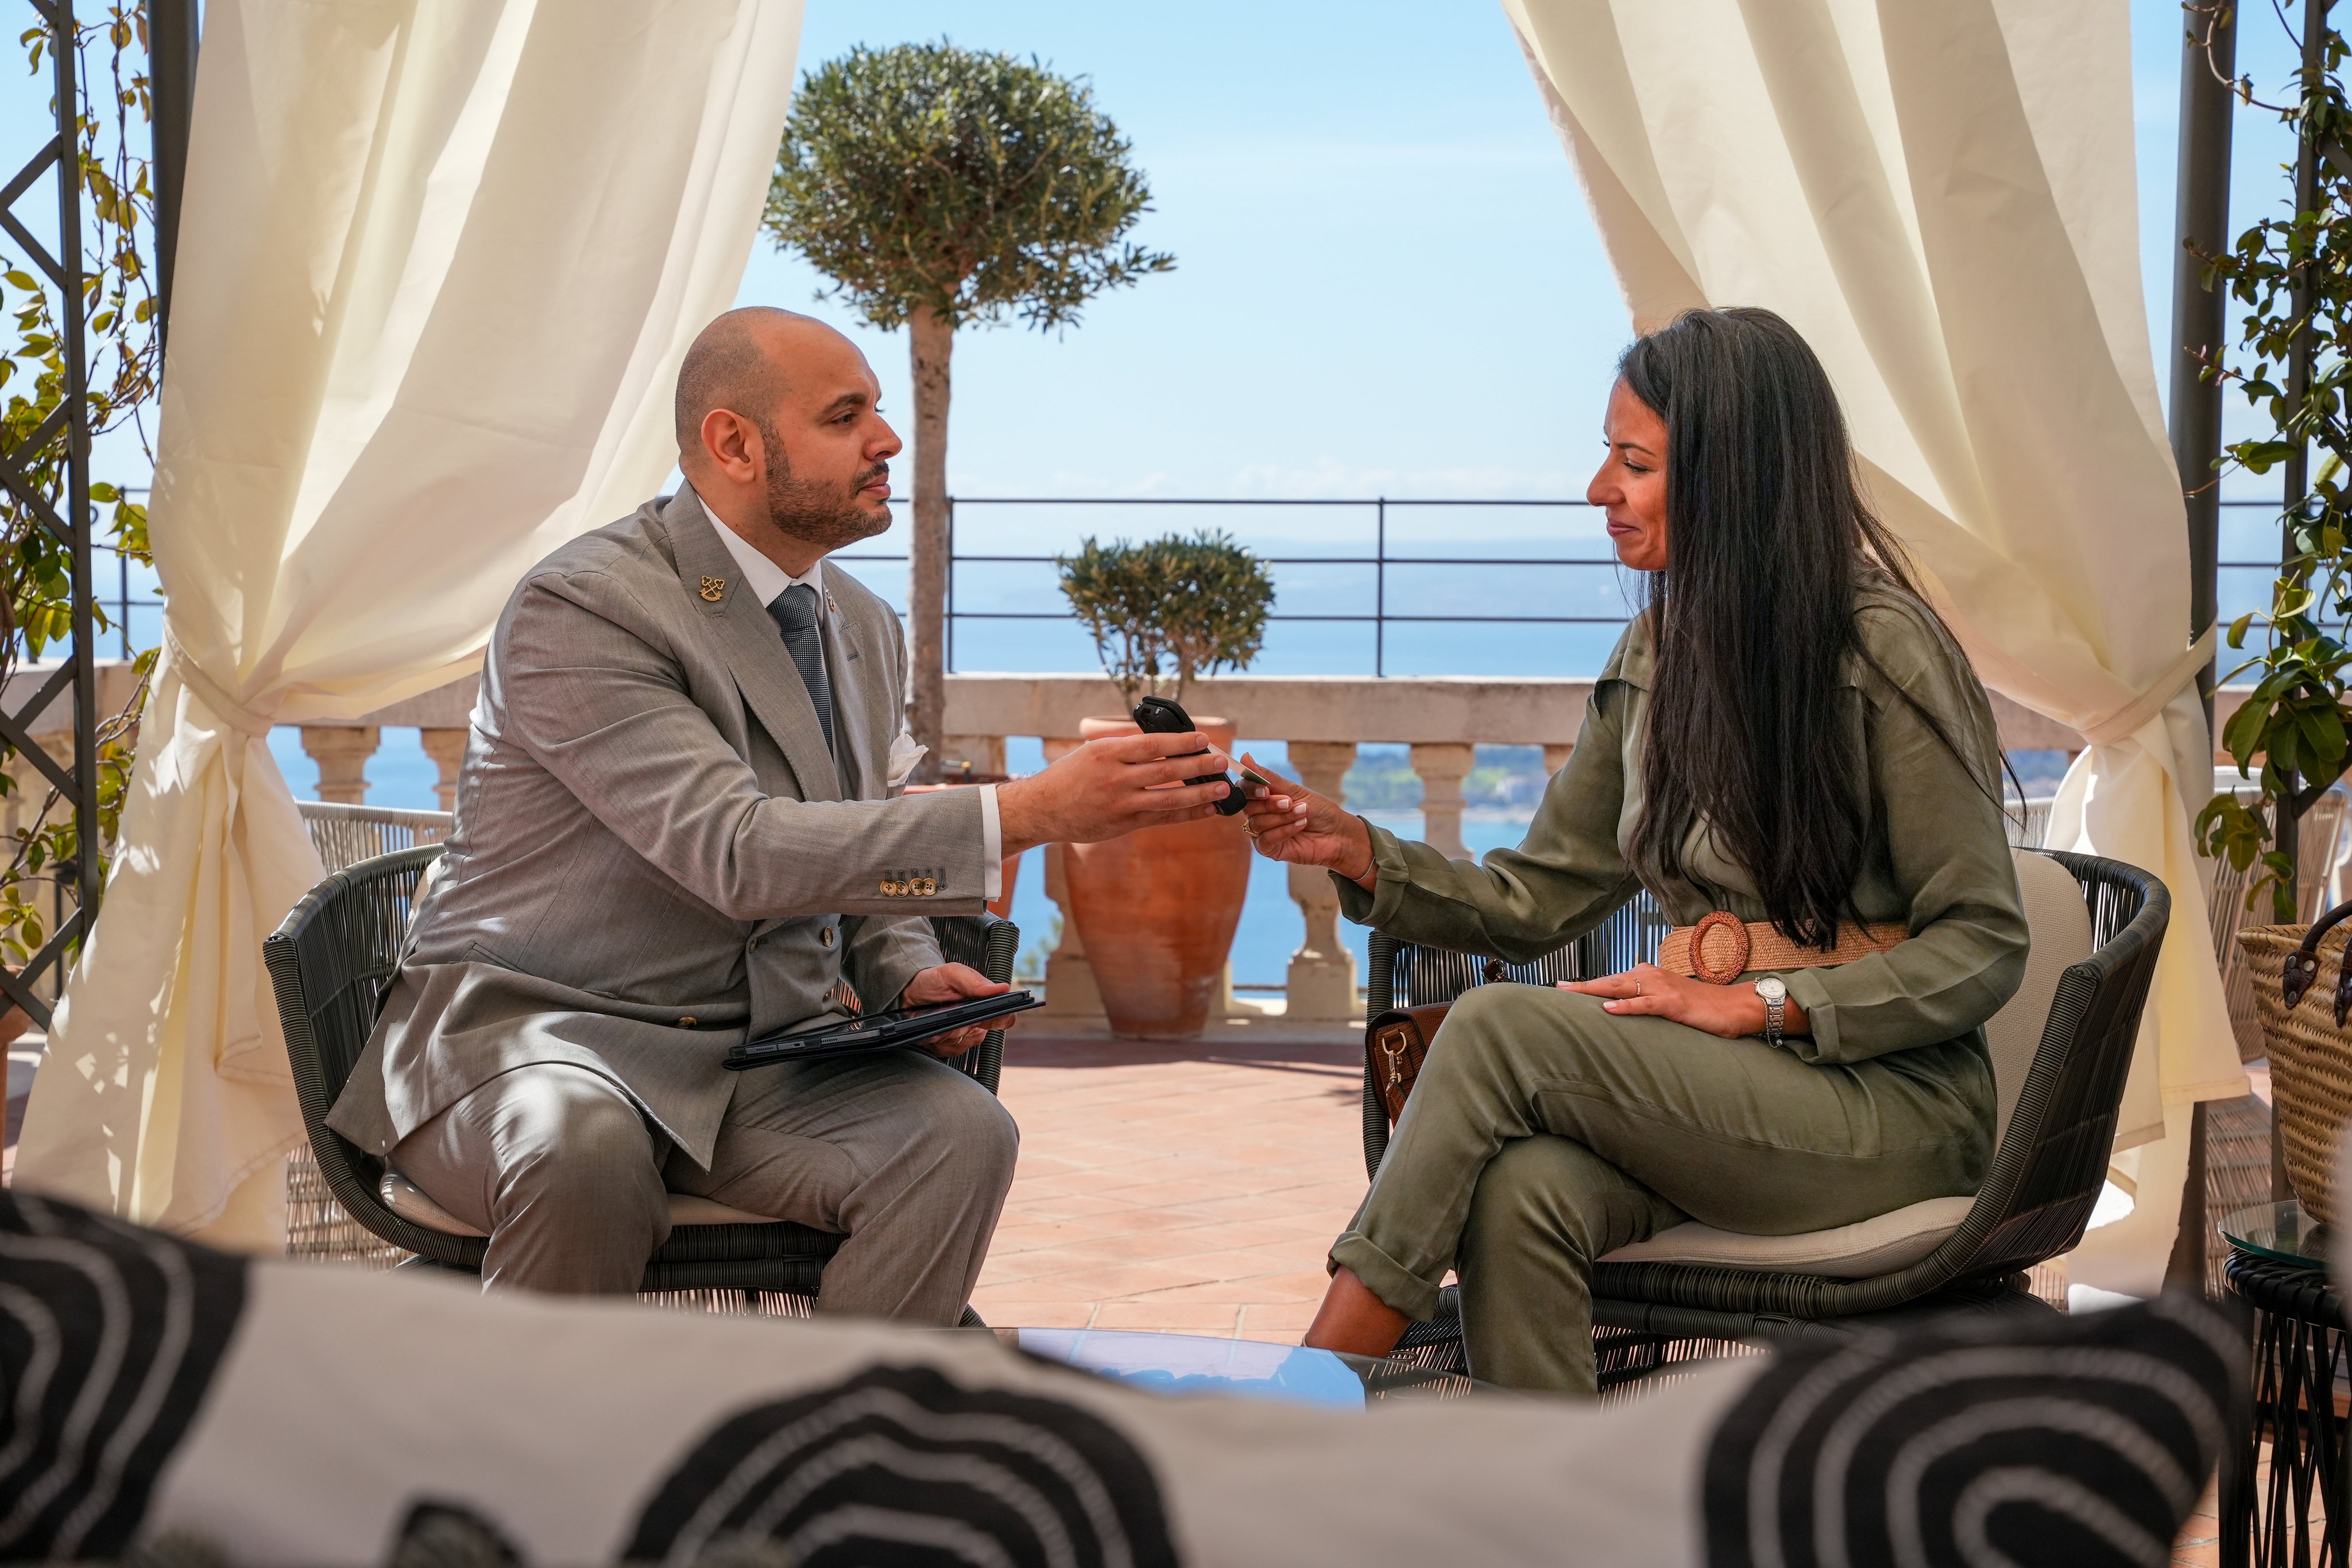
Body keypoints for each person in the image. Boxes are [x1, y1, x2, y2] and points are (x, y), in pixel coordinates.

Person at [328, 307, 1236, 1317]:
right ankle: (541, 1462)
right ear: (735, 444)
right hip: (535, 1040)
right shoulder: (585, 608)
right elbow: (737, 852)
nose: (885, 441)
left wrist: (902, 969)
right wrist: (1026, 813)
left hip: (753, 1059)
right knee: (579, 1144)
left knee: (959, 1137)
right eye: (846, 417)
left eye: (879, 413)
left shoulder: (859, 623)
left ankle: (823, 1441)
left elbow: (854, 840)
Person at [1236, 307, 2030, 1394]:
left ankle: (1300, 1399)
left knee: (1501, 1027)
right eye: (1610, 456)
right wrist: (1359, 849)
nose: (1598, 488)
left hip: (1888, 1110)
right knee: (1523, 1195)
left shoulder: (1883, 651)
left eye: (1634, 461)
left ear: (1734, 475)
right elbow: (1536, 897)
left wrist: (1766, 1005)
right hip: (1727, 1101)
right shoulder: (1657, 650)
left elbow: (1984, 941)